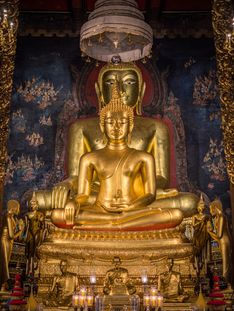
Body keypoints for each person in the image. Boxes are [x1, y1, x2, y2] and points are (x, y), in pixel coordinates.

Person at [35, 60, 198, 218]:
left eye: (129, 82)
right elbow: (77, 177)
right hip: (94, 198)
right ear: (99, 91)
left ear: (141, 90)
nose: (119, 90)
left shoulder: (156, 127)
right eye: (111, 83)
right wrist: (67, 185)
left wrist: (135, 195)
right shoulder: (81, 128)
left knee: (189, 202)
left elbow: (161, 178)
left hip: (137, 197)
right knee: (38, 201)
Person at [51, 81, 184, 230]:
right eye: (110, 122)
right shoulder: (89, 158)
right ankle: (119, 225)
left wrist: (131, 206)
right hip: (99, 210)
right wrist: (74, 202)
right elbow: (83, 195)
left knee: (176, 214)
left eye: (122, 122)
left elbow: (150, 195)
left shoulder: (144, 157)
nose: (116, 127)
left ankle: (111, 225)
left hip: (133, 210)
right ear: (102, 125)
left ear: (130, 126)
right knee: (57, 215)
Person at [0, 200, 25, 290]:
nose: (19, 209)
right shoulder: (8, 217)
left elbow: (15, 236)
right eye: (18, 207)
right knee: (4, 264)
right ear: (14, 207)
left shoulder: (13, 218)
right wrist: (20, 230)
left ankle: (4, 286)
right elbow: (11, 235)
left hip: (9, 242)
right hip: (5, 241)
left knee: (5, 262)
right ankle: (3, 285)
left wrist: (19, 227)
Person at [206, 199, 232, 284]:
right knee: (224, 262)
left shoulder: (221, 217)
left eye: (211, 209)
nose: (210, 211)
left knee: (226, 264)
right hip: (221, 241)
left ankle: (227, 283)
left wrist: (210, 232)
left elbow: (219, 235)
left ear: (215, 208)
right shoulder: (217, 217)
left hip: (224, 241)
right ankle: (225, 282)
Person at [23, 192, 45, 275]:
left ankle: (34, 269)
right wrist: (24, 236)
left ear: (37, 205)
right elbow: (26, 226)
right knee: (29, 252)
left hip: (37, 233)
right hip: (29, 234)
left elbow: (42, 226)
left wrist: (41, 221)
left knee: (34, 251)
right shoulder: (27, 215)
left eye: (34, 203)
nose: (32, 205)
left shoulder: (40, 214)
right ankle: (28, 270)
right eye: (31, 203)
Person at [191, 193, 209, 274]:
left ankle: (203, 264)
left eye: (203, 206)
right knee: (197, 250)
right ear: (197, 207)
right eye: (200, 206)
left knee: (204, 250)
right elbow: (194, 226)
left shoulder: (206, 216)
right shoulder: (194, 216)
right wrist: (201, 221)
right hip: (197, 234)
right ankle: (196, 265)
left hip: (204, 234)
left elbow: (209, 226)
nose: (201, 208)